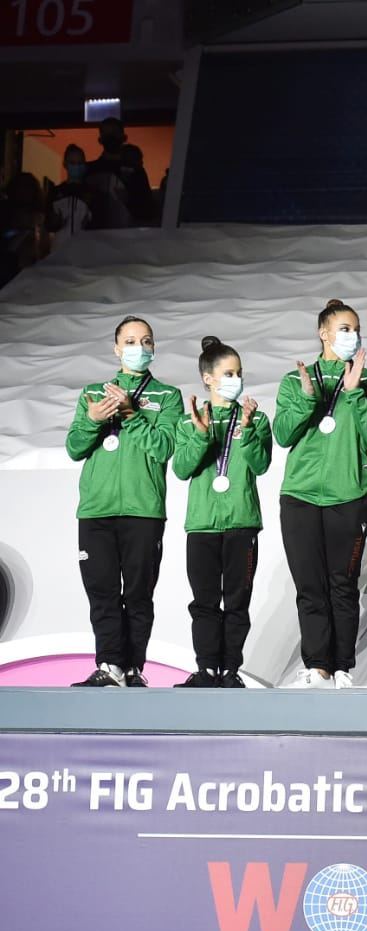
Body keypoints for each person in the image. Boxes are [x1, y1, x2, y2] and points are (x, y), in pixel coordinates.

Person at [273, 299, 367, 688]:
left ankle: (342, 667)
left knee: (342, 584)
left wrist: (355, 393)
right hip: (301, 496)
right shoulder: (296, 380)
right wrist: (308, 398)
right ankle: (317, 666)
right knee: (310, 587)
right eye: (344, 329)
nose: (352, 336)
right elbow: (283, 434)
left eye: (355, 329)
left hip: (348, 496)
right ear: (323, 333)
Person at [64, 316, 182, 687]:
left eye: (146, 341)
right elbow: (74, 448)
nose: (138, 348)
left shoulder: (167, 396)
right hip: (96, 510)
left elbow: (164, 448)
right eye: (130, 341)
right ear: (116, 348)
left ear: (153, 347)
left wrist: (131, 415)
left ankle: (133, 668)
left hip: (142, 510)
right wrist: (94, 420)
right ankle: (110, 665)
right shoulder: (93, 393)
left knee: (137, 594)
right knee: (102, 592)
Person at [172, 337, 272, 688]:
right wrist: (200, 435)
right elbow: (182, 470)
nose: (236, 379)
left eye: (239, 373)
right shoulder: (188, 422)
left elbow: (261, 465)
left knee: (237, 601)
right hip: (202, 525)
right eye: (228, 373)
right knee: (204, 602)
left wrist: (246, 432)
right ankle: (206, 669)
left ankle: (230, 670)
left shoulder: (256, 418)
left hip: (242, 523)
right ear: (208, 378)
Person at [48, 145, 93, 243]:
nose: (76, 166)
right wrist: (55, 222)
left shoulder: (92, 192)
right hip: (60, 250)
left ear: (84, 165)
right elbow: (47, 225)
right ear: (65, 164)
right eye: (72, 163)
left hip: (84, 248)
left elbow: (99, 224)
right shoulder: (55, 192)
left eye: (80, 163)